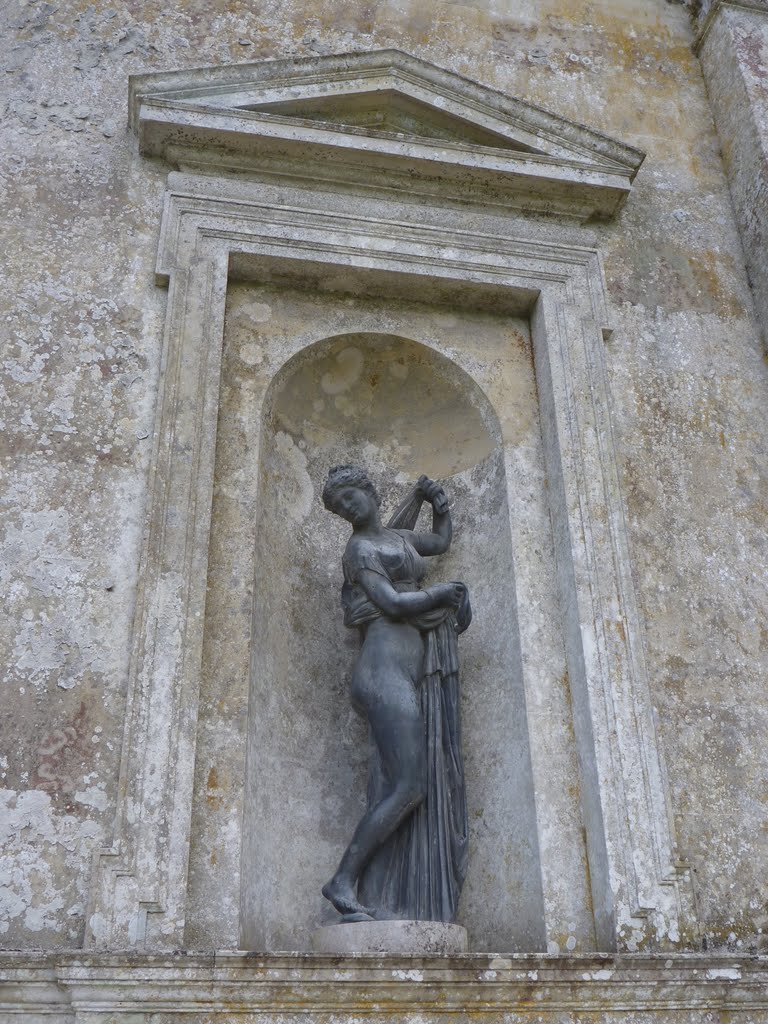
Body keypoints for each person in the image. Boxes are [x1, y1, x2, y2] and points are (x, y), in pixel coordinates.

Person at [321, 465, 470, 923]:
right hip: (382, 673)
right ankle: (342, 880)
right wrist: (444, 593)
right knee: (410, 784)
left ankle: (376, 886)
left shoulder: (397, 538)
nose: (349, 506)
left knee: (404, 784)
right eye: (340, 505)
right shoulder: (360, 549)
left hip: (407, 672)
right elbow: (392, 603)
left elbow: (439, 542)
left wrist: (437, 504)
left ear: (369, 492)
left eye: (352, 496)